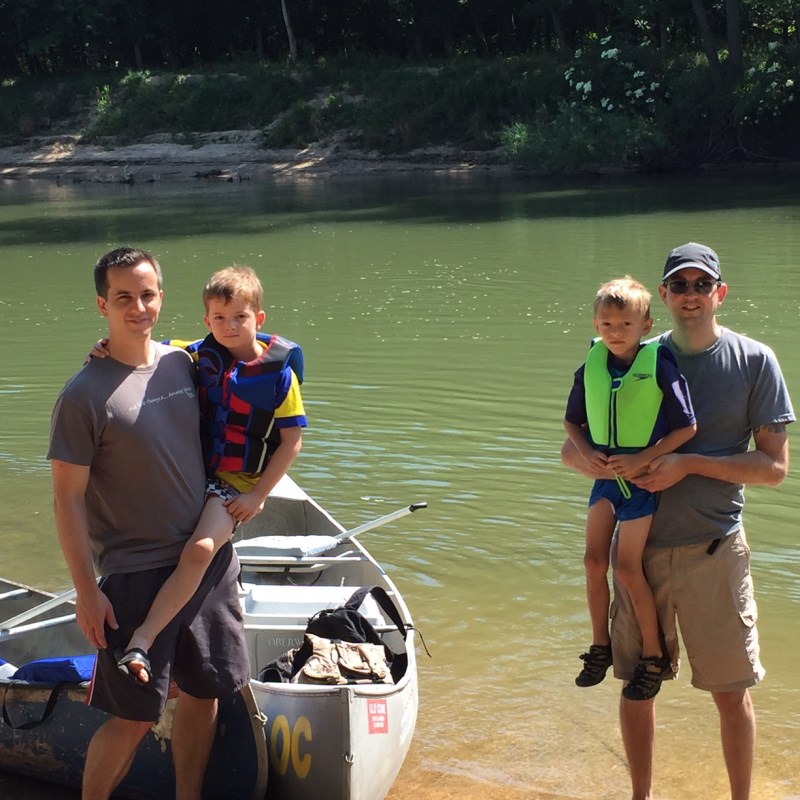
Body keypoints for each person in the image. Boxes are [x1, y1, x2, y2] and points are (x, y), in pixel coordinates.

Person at [561, 243, 794, 800]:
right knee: (636, 687)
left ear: (720, 292)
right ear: (662, 296)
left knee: (730, 691)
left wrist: (689, 463)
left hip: (714, 551)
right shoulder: (631, 349)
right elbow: (572, 447)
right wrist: (586, 459)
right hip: (638, 553)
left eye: (701, 284)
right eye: (680, 285)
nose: (691, 295)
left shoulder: (754, 361)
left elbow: (775, 469)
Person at [49, 247, 251, 800]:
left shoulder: (186, 362)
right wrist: (85, 593)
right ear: (101, 304)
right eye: (123, 297)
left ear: (161, 296)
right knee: (135, 717)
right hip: (133, 575)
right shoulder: (83, 394)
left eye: (147, 294)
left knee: (204, 693)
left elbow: (265, 375)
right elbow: (66, 501)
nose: (138, 307)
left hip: (207, 563)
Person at [98, 265, 306, 685]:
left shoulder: (279, 376)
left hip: (235, 486)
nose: (230, 327)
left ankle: (143, 637)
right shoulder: (195, 354)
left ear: (258, 319)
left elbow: (290, 443)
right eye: (220, 319)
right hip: (195, 473)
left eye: (240, 318)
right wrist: (103, 347)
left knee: (200, 549)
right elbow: (142, 346)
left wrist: (258, 498)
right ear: (207, 321)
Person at [564, 276, 696, 699]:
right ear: (595, 323)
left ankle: (653, 657)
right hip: (604, 482)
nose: (615, 333)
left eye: (625, 325)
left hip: (640, 483)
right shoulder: (591, 365)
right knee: (590, 561)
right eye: (606, 325)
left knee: (625, 568)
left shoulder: (659, 363)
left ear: (645, 325)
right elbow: (572, 423)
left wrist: (643, 459)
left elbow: (687, 427)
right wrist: (586, 453)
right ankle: (600, 647)